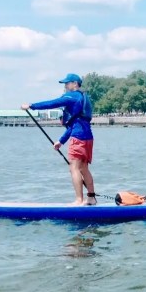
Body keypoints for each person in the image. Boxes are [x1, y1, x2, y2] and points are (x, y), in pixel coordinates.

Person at [22, 73, 96, 206]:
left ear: (75, 83)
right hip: (88, 137)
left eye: (67, 83)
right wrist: (61, 141)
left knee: (74, 168)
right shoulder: (85, 98)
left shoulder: (72, 96)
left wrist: (31, 106)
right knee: (84, 168)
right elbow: (75, 123)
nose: (66, 86)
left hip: (78, 137)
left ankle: (79, 200)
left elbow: (53, 103)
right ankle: (91, 198)